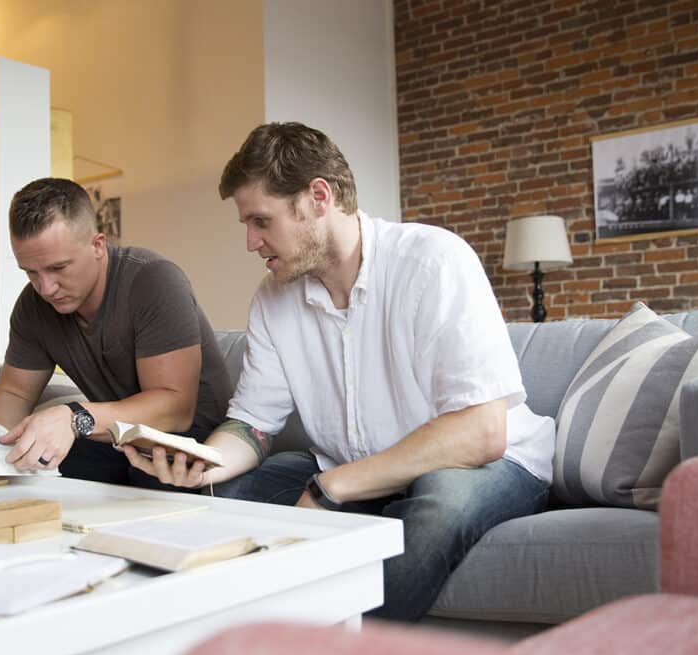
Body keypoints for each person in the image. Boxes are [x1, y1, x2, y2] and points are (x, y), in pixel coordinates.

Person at [124, 122, 555, 620]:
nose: (250, 241)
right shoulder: (272, 300)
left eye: (261, 221)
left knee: (437, 509)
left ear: (318, 197)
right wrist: (201, 463)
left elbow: (481, 432)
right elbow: (255, 424)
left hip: (484, 464)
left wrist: (333, 489)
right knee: (227, 499)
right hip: (352, 466)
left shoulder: (432, 261)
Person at [0, 177, 233, 489]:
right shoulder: (33, 306)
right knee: (32, 473)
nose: (45, 288)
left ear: (97, 245)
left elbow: (175, 410)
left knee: (144, 475)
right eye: (31, 272)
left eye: (59, 268)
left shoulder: (153, 281)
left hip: (190, 443)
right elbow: (13, 393)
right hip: (118, 440)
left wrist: (74, 417)